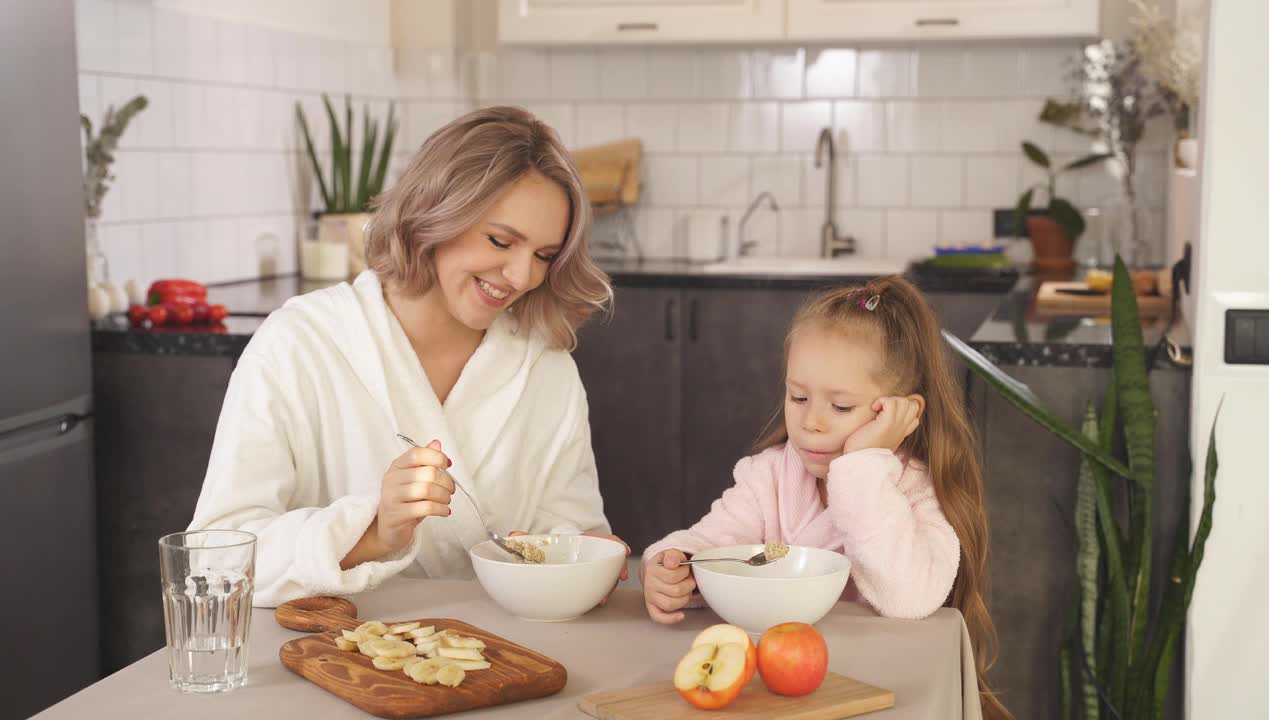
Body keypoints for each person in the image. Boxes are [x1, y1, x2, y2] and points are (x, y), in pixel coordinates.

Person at [189, 106, 628, 607]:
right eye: (500, 241)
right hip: (333, 661)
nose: (522, 275)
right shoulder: (300, 344)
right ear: (436, 213)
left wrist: (592, 556)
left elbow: (571, 529)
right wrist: (374, 532)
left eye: (545, 256)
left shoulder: (544, 367)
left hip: (510, 657)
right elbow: (214, 560)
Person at [641, 276, 1008, 719]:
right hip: (771, 695)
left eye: (840, 407)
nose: (811, 422)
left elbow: (910, 597)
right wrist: (673, 564)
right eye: (798, 397)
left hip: (876, 696)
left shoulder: (913, 491)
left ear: (900, 413)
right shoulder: (769, 477)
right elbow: (712, 543)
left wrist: (862, 463)